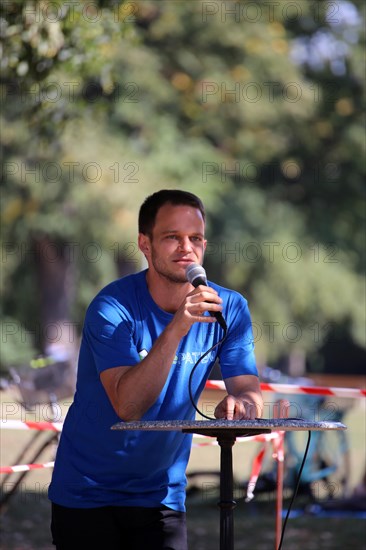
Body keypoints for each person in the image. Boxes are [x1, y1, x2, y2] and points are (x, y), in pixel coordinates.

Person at [48, 189, 263, 550]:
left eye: (195, 238)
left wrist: (242, 406)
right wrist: (178, 326)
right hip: (88, 492)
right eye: (171, 237)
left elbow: (248, 390)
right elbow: (129, 406)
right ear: (144, 245)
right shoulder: (111, 308)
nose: (186, 248)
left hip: (161, 495)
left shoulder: (230, 308)